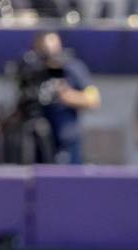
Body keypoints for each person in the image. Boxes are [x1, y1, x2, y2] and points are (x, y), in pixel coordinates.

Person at [25, 31, 100, 164]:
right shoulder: (34, 71)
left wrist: (67, 95)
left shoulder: (73, 68)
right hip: (40, 139)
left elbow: (93, 99)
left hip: (67, 139)